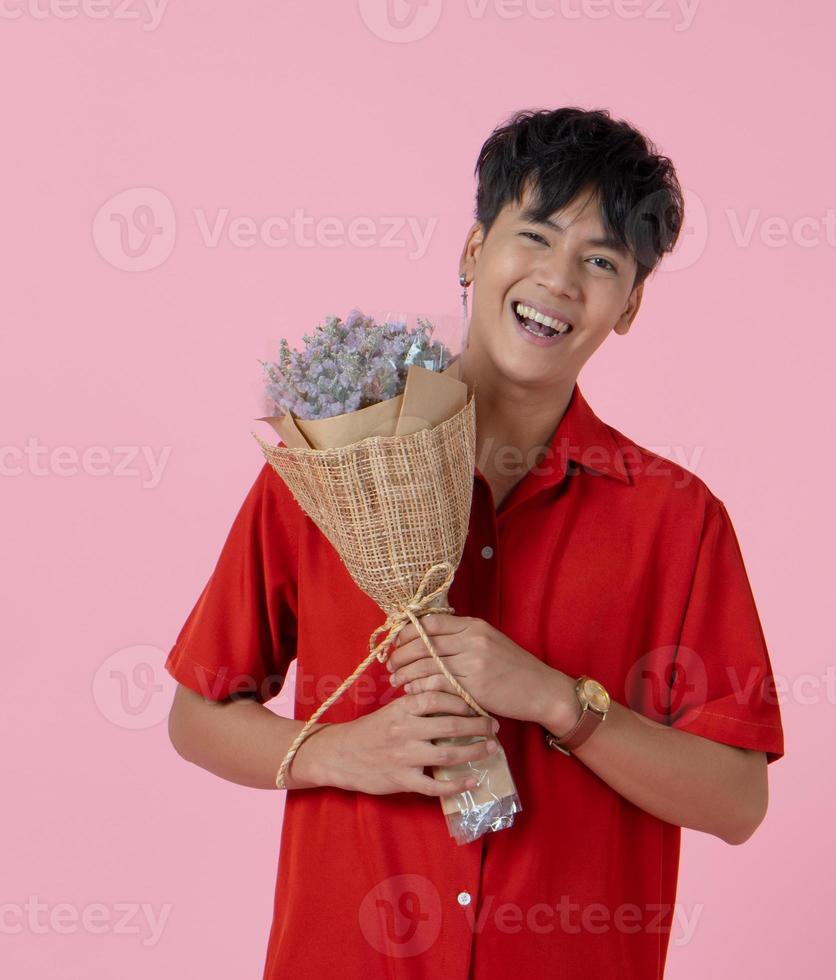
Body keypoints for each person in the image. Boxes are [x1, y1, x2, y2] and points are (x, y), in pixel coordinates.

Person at [165, 106, 785, 979]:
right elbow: (197, 716)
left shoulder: (678, 520)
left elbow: (736, 801)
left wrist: (560, 701)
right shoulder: (327, 463)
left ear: (631, 304)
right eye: (534, 236)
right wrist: (343, 752)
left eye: (601, 261)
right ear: (472, 251)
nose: (560, 280)